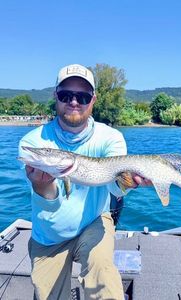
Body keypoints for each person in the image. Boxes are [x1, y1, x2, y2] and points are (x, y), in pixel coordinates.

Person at [19, 64, 150, 300]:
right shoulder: (34, 142)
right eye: (66, 95)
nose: (74, 102)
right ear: (55, 96)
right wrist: (42, 186)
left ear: (93, 99)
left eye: (82, 96)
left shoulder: (110, 137)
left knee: (103, 275)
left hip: (94, 222)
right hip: (49, 234)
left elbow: (113, 186)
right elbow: (50, 201)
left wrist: (127, 183)